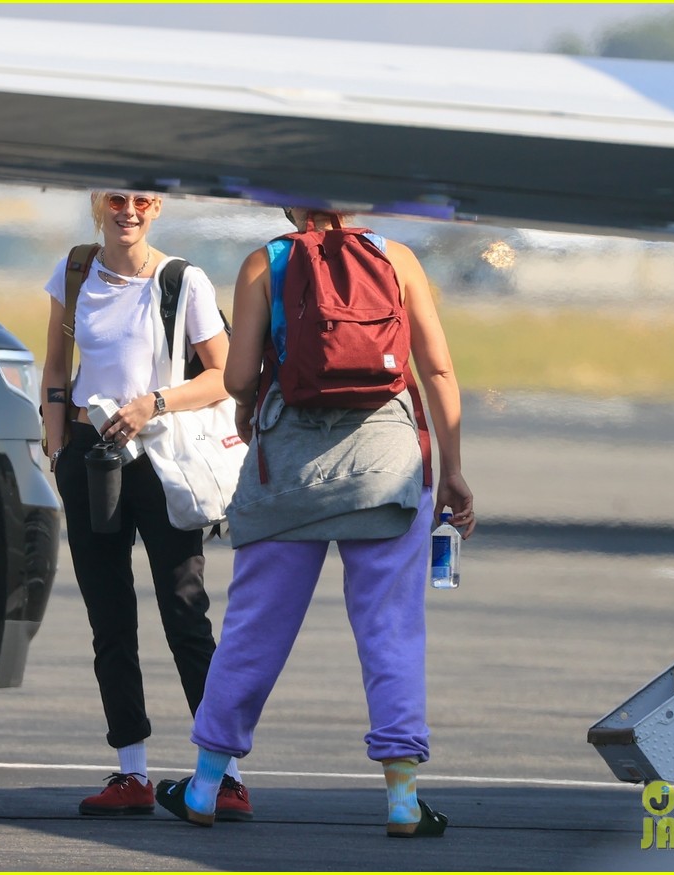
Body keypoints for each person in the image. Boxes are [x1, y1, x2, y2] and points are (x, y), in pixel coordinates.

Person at [155, 207, 475, 837]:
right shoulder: (398, 258)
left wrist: (250, 407)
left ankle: (204, 785)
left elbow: (240, 375)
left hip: (288, 468)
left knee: (254, 631)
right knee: (391, 631)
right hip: (386, 462)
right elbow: (435, 370)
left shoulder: (265, 261)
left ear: (289, 207)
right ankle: (403, 799)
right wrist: (454, 469)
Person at [40, 191, 252, 820]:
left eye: (141, 200)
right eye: (116, 199)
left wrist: (153, 403)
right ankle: (131, 771)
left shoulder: (182, 280)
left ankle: (225, 774)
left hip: (161, 460)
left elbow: (225, 375)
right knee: (109, 618)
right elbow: (56, 363)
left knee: (185, 611)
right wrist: (57, 443)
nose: (127, 210)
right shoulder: (74, 269)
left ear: (156, 208)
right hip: (90, 456)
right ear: (99, 205)